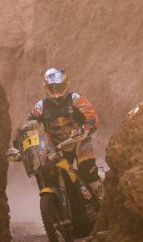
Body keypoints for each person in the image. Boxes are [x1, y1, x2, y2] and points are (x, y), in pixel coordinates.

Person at [26, 67, 103, 198]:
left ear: (66, 84)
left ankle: (104, 202)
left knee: (87, 172)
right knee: (51, 175)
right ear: (46, 87)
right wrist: (18, 147)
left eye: (59, 86)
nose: (56, 90)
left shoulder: (75, 98)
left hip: (79, 142)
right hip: (56, 148)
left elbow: (92, 118)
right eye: (52, 87)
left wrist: (84, 129)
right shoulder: (40, 107)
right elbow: (27, 127)